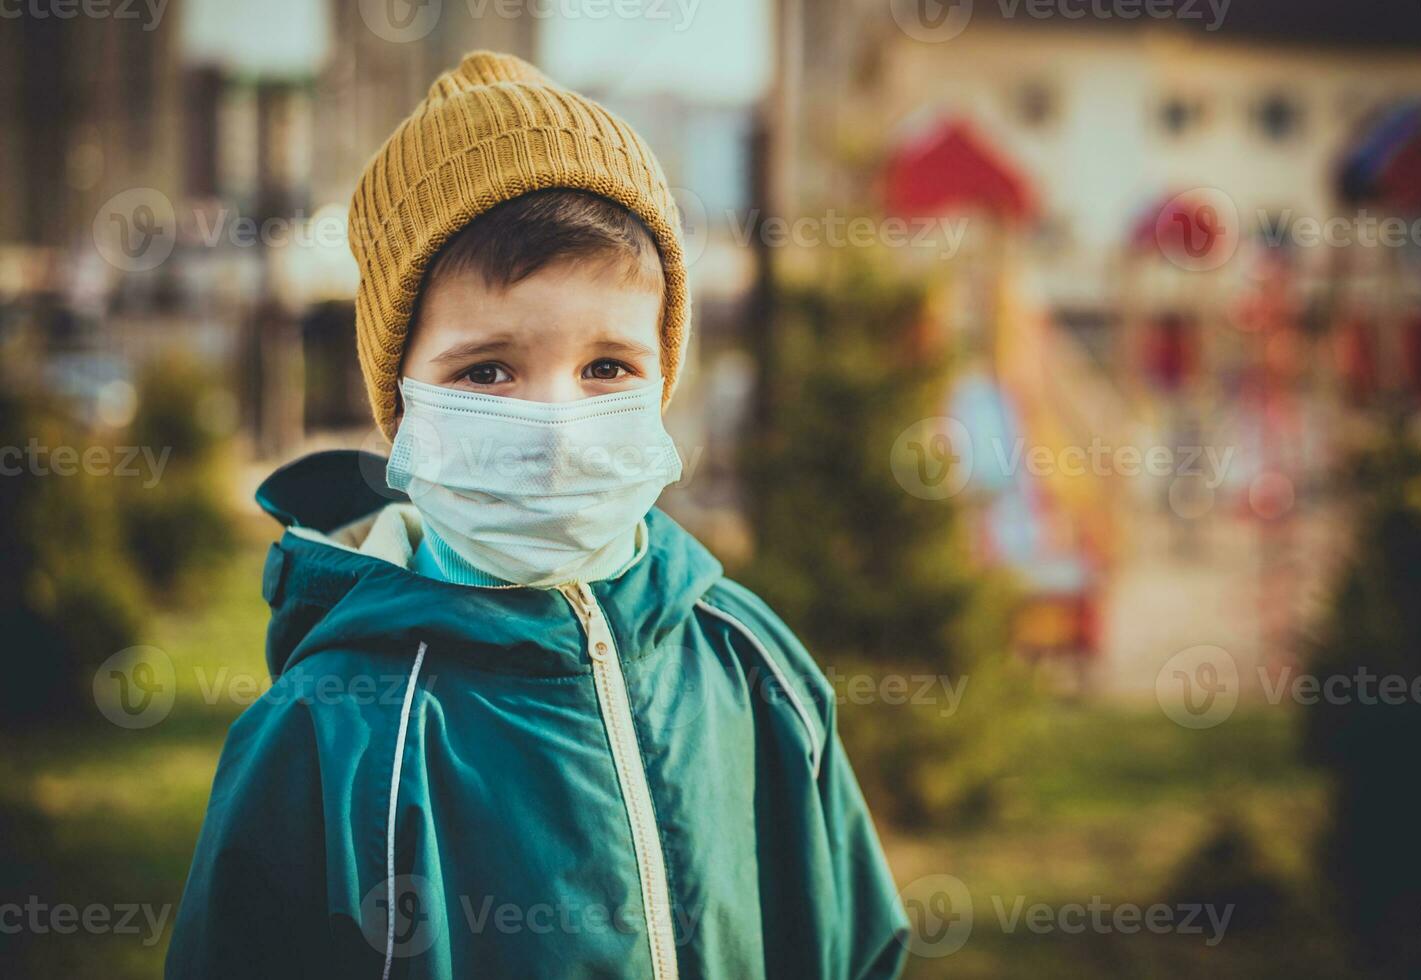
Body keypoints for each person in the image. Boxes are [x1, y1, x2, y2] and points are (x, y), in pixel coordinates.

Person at [166, 51, 908, 979]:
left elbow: (854, 950)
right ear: (404, 405)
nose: (557, 428)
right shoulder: (326, 735)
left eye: (607, 367)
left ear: (665, 377)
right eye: (486, 370)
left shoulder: (752, 668)